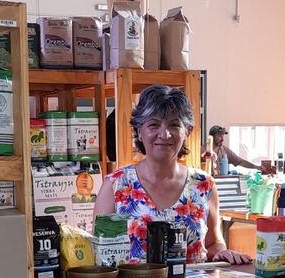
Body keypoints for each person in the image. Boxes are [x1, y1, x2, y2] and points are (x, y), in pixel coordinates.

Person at [93, 85, 251, 264]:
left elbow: (213, 243)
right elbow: (100, 255)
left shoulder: (203, 185)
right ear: (139, 131)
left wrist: (222, 253)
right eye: (154, 125)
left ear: (187, 132)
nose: (164, 134)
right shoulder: (116, 186)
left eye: (174, 125)